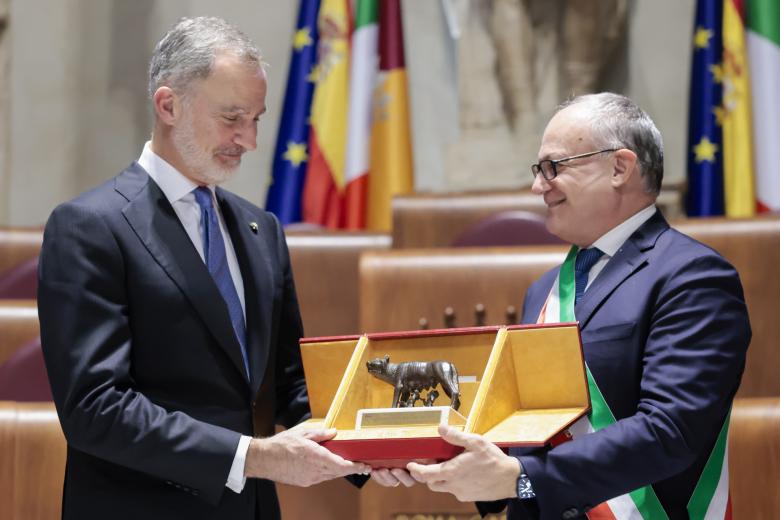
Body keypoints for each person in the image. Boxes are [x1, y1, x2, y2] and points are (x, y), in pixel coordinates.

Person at [37, 16, 369, 520]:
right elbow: (95, 408)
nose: (249, 139)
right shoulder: (89, 226)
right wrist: (251, 456)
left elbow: (287, 385)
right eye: (232, 117)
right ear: (168, 105)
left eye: (256, 118)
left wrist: (376, 446)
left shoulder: (262, 230)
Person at [375, 93, 751, 519]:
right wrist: (448, 457)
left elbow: (671, 431)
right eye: (539, 170)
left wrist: (522, 475)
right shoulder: (544, 290)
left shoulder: (694, 276)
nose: (538, 186)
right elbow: (533, 427)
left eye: (554, 167)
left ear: (620, 167)